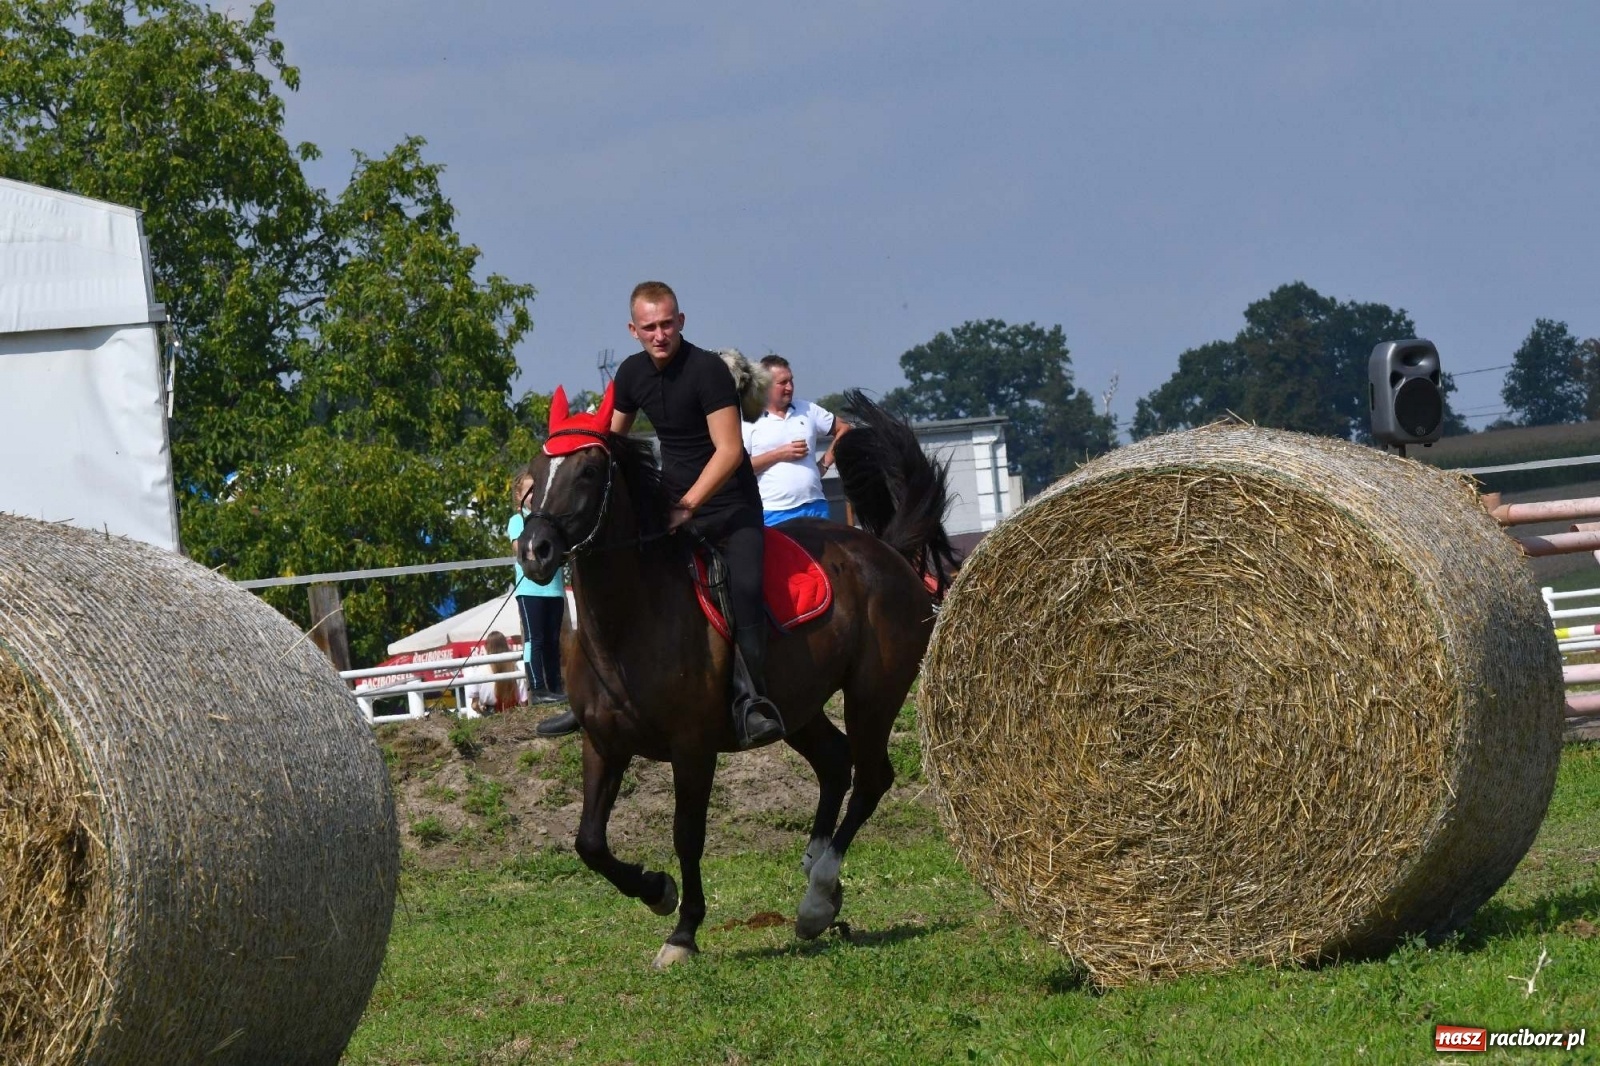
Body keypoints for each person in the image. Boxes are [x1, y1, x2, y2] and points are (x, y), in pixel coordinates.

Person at [609, 281, 784, 749]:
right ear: (633, 330)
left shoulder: (707, 370)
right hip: (672, 504)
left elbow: (730, 452)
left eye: (667, 324)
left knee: (744, 588)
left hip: (730, 507)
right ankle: (598, 693)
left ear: (681, 321)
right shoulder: (629, 375)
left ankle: (753, 701)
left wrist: (687, 506)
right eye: (649, 327)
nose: (660, 334)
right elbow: (612, 446)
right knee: (621, 572)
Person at [741, 354, 850, 526]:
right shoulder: (748, 419)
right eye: (782, 383)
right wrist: (779, 454)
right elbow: (740, 468)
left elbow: (844, 428)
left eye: (791, 381)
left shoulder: (808, 409)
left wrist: (823, 465)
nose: (790, 387)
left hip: (815, 505)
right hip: (773, 511)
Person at [509, 470, 576, 737]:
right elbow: (518, 548)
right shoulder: (518, 520)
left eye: (536, 490)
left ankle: (555, 686)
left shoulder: (548, 521)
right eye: (529, 491)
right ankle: (537, 687)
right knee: (534, 639)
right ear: (519, 495)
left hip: (554, 588)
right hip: (530, 588)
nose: (533, 496)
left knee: (551, 639)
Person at [464, 631, 529, 714]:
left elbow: (474, 705)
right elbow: (524, 701)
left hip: (490, 715)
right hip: (513, 714)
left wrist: (482, 712)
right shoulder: (514, 669)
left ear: (487, 647)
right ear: (506, 645)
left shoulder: (480, 670)